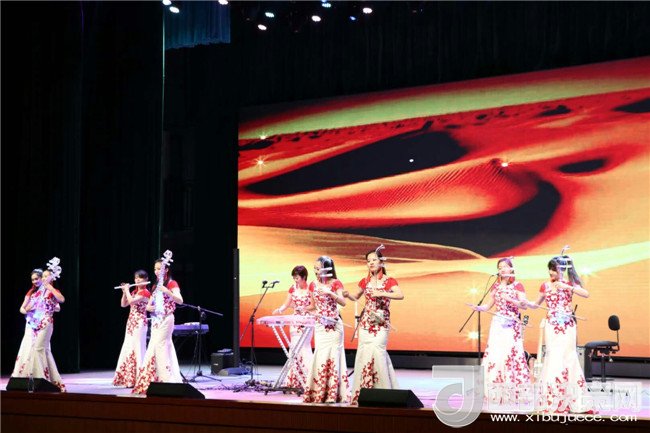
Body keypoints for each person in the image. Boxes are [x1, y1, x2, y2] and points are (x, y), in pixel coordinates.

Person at [526, 255, 591, 413]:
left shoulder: (569, 283)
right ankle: (553, 400)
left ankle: (574, 400)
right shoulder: (545, 286)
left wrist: (566, 287)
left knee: (569, 357)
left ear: (562, 270)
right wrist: (526, 303)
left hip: (567, 326)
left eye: (554, 269)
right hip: (552, 326)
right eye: (550, 269)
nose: (551, 272)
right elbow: (535, 304)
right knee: (553, 357)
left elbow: (586, 294)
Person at [343, 249, 403, 404]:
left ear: (381, 262)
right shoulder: (365, 281)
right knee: (364, 354)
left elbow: (400, 295)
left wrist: (382, 293)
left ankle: (384, 393)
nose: (371, 263)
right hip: (365, 324)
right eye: (368, 261)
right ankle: (363, 393)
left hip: (381, 324)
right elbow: (356, 297)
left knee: (378, 352)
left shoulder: (389, 281)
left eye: (374, 260)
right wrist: (347, 295)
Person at [471, 257, 530, 404]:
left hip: (511, 324)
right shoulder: (495, 286)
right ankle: (493, 390)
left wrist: (510, 299)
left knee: (509, 354)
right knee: (495, 354)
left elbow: (523, 306)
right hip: (497, 323)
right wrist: (479, 308)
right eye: (500, 267)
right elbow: (488, 306)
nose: (502, 269)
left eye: (505, 266)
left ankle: (511, 391)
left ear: (511, 268)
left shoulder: (517, 285)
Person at [132, 259, 183, 394]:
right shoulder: (155, 286)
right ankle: (151, 381)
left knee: (161, 347)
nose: (156, 271)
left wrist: (168, 291)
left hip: (167, 319)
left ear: (166, 269)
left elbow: (180, 300)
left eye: (159, 268)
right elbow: (149, 304)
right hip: (156, 321)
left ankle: (166, 381)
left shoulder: (171, 283)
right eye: (155, 269)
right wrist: (149, 307)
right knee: (155, 348)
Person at [302, 256, 349, 403]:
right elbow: (313, 305)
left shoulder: (335, 283)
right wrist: (304, 308)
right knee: (321, 356)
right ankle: (319, 392)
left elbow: (343, 302)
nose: (316, 271)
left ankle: (333, 394)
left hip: (334, 326)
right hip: (320, 326)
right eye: (315, 268)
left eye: (319, 268)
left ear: (327, 268)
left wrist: (330, 293)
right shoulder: (312, 285)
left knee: (333, 357)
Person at [11, 268, 66, 392]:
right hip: (34, 324)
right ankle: (44, 380)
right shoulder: (35, 294)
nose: (42, 279)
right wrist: (28, 311)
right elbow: (26, 308)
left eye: (44, 277)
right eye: (43, 277)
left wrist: (50, 292)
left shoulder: (52, 291)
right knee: (40, 350)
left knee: (38, 349)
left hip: (46, 323)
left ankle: (40, 379)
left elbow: (61, 301)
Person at [273, 265, 314, 391]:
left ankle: (308, 380)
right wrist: (279, 310)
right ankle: (294, 380)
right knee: (294, 349)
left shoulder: (311, 288)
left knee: (304, 347)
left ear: (304, 277)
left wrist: (304, 308)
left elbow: (313, 306)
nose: (295, 280)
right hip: (295, 321)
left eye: (297, 278)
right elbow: (286, 304)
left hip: (307, 321)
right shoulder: (292, 288)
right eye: (294, 278)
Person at [112, 270, 152, 387]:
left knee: (137, 349)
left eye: (140, 278)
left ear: (146, 280)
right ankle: (128, 379)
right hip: (131, 323)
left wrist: (127, 291)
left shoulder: (145, 292)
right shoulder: (134, 291)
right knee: (129, 348)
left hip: (140, 323)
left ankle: (139, 379)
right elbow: (123, 304)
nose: (137, 280)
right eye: (136, 278)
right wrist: (124, 292)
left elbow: (131, 301)